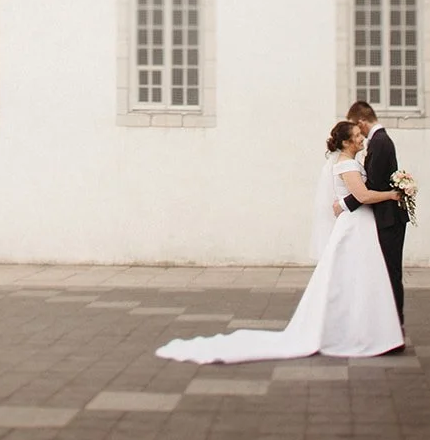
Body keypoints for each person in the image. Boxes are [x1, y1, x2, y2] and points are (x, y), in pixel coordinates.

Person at [156, 121, 405, 364]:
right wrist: (392, 194)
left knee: (358, 277)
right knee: (353, 277)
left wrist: (349, 201)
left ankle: (362, 327)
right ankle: (355, 331)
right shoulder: (346, 164)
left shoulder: (351, 161)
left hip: (359, 224)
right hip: (354, 226)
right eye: (357, 136)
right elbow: (362, 195)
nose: (362, 138)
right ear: (346, 142)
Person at [338, 101, 408, 343]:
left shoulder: (380, 142)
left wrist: (345, 203)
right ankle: (388, 324)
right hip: (386, 216)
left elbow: (373, 184)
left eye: (357, 129)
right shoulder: (380, 141)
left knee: (390, 271)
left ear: (361, 122)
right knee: (386, 271)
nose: (359, 135)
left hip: (389, 218)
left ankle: (395, 326)